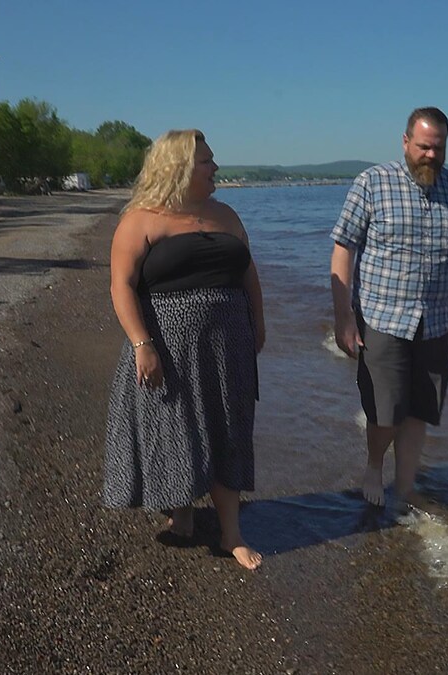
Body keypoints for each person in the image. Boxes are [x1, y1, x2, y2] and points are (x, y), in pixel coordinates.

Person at [104, 129, 265, 570]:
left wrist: (259, 322)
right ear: (178, 168)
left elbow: (248, 273)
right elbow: (122, 286)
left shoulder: (226, 214)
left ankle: (231, 533)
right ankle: (182, 509)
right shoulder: (141, 219)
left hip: (229, 339)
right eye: (207, 161)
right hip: (167, 341)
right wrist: (142, 344)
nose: (216, 168)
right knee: (175, 426)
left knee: (229, 427)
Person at [329, 107, 448, 507]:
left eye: (438, 148)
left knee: (420, 410)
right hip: (382, 318)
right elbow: (343, 249)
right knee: (386, 410)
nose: (430, 155)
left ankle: (405, 487)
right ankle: (375, 465)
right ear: (405, 142)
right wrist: (344, 317)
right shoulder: (371, 183)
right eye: (423, 146)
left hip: (437, 321)